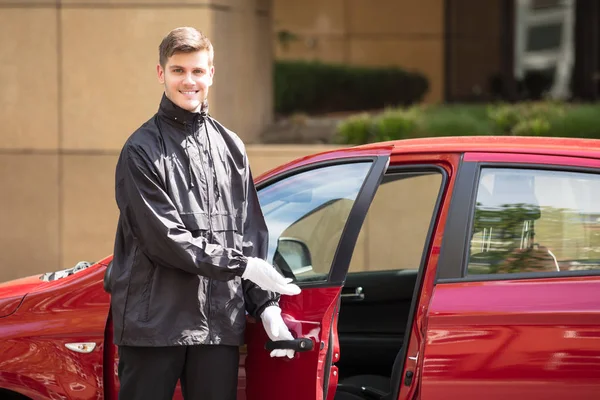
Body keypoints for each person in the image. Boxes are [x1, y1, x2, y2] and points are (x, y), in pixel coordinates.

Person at [109, 26, 300, 400]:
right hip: (154, 326)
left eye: (197, 71)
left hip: (218, 325)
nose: (189, 81)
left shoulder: (231, 146)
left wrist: (265, 306)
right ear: (161, 73)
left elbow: (250, 236)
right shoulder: (140, 150)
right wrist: (242, 266)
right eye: (178, 70)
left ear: (211, 73)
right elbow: (164, 239)